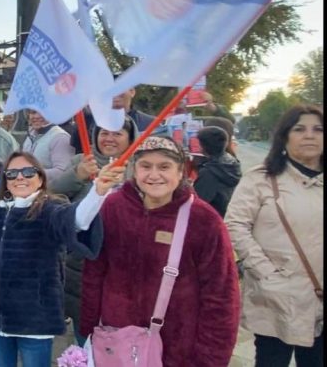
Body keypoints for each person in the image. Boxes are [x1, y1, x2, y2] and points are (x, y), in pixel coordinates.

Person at [80, 136, 240, 366]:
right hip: (116, 339)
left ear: (181, 171)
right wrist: (88, 328)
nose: (154, 175)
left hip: (178, 346)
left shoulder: (204, 220)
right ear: (134, 170)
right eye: (146, 166)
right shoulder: (113, 207)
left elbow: (221, 296)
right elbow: (94, 273)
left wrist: (210, 358)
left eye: (164, 167)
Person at [0, 152, 123, 367]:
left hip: (35, 321)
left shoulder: (50, 210)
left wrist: (98, 192)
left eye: (28, 172)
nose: (20, 177)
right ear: (6, 181)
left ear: (40, 178)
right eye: (12, 173)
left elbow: (76, 220)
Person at [225, 105, 323, 367]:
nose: (310, 135)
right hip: (276, 299)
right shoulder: (262, 179)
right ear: (284, 136)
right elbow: (235, 225)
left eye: (318, 129)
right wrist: (268, 274)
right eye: (299, 129)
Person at [50, 117, 138, 345]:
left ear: (130, 138)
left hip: (125, 263)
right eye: (104, 133)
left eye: (117, 133)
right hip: (82, 261)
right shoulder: (82, 161)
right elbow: (52, 196)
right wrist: (76, 175)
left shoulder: (140, 167)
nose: (109, 138)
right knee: (85, 327)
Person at [193, 126, 241, 217]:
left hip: (212, 219)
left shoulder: (209, 172)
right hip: (228, 215)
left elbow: (197, 203)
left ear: (203, 146)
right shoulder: (232, 162)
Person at [21, 109, 74, 183]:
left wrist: (32, 174)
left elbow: (63, 172)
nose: (36, 116)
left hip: (49, 189)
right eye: (33, 112)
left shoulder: (60, 137)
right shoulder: (30, 135)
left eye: (42, 112)